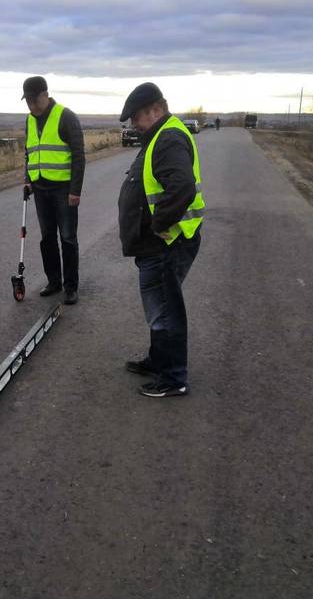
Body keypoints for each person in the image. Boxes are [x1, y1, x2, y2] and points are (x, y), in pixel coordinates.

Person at [117, 82, 205, 398]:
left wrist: (157, 224)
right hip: (158, 244)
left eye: (137, 118)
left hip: (169, 242)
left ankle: (173, 377)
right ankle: (158, 361)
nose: (134, 126)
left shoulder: (168, 138)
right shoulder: (161, 134)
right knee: (158, 307)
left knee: (167, 310)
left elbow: (181, 187)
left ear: (156, 109)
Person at [22, 76, 85, 305]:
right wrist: (28, 179)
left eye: (34, 100)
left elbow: (79, 155)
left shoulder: (65, 116)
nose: (31, 105)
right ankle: (54, 281)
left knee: (68, 238)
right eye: (27, 101)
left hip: (63, 189)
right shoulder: (29, 121)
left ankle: (70, 287)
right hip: (40, 189)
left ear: (45, 95)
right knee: (47, 238)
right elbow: (30, 152)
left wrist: (75, 190)